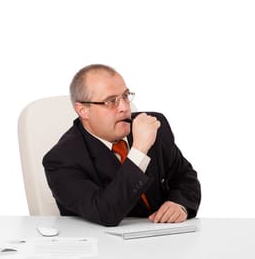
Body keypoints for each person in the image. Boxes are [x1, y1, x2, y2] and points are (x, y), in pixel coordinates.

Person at [43, 64, 201, 226]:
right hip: (103, 245)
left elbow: (184, 176)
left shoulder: (153, 126)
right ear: (83, 110)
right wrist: (139, 150)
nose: (125, 108)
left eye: (125, 96)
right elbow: (105, 212)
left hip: (162, 239)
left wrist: (179, 203)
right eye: (111, 101)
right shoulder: (61, 160)